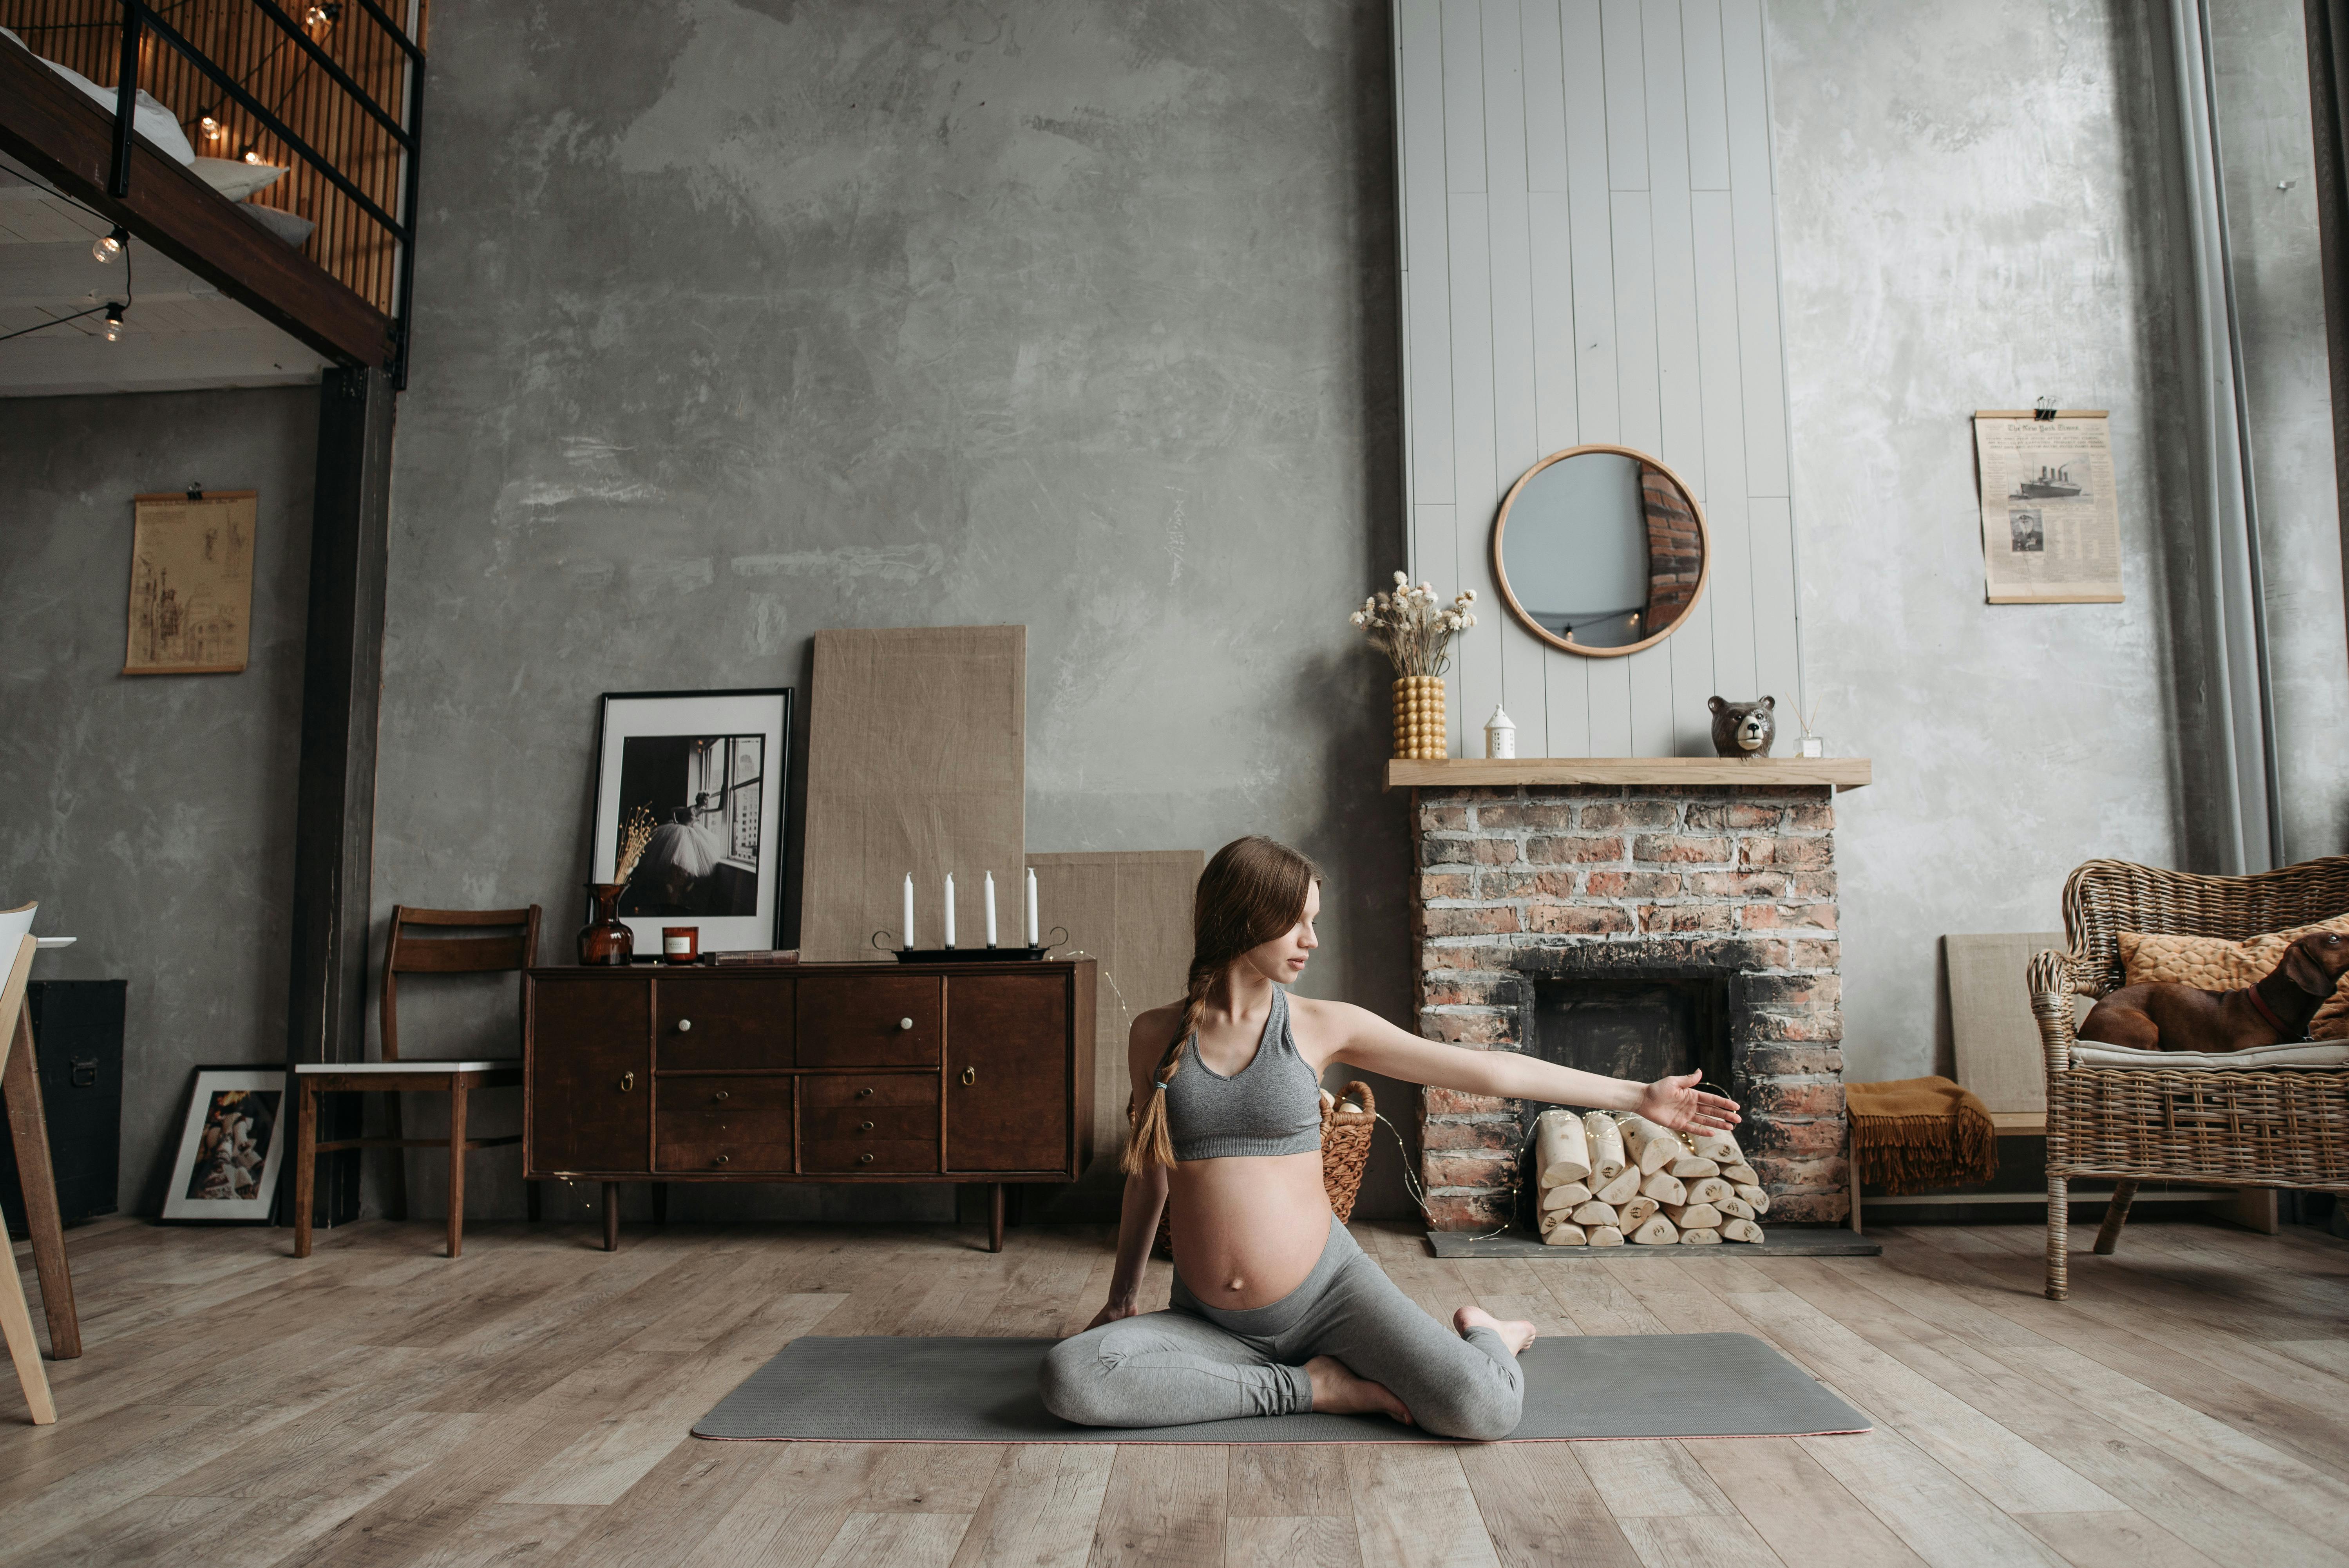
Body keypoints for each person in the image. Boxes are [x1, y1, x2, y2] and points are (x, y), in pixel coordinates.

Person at [1039, 835, 1741, 1440]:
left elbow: (1491, 1071)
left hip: (1331, 1296)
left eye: (1315, 921)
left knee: (1483, 1406)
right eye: (1297, 923)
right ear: (1242, 919)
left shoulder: (1318, 1024)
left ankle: (1490, 1334)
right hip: (1209, 1321)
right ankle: (1316, 1389)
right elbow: (1149, 1173)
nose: (1313, 941)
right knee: (1072, 1380)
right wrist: (1125, 1296)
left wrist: (1637, 1097)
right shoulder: (1154, 1036)